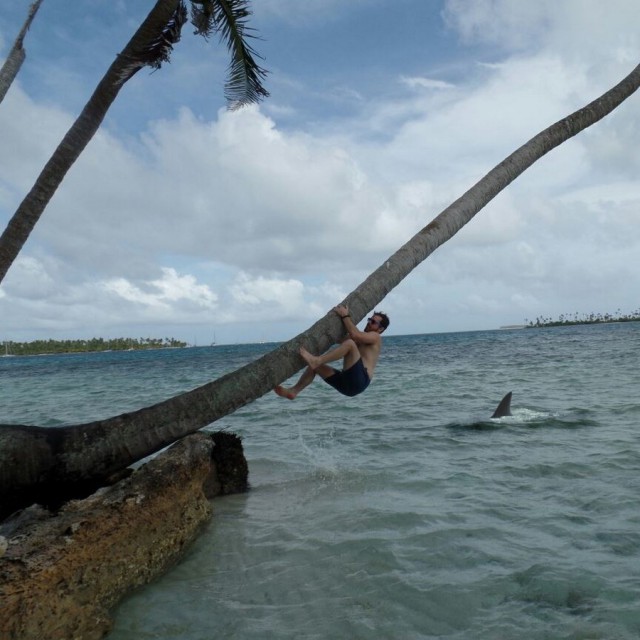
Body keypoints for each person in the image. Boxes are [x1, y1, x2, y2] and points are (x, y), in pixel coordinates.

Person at [274, 305, 390, 399]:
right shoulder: (360, 339)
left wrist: (345, 315)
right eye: (370, 319)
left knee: (349, 345)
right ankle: (294, 391)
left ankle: (317, 360)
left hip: (360, 380)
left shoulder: (376, 337)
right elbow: (339, 339)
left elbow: (355, 335)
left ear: (380, 329)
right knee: (314, 367)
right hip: (348, 384)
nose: (369, 322)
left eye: (373, 322)